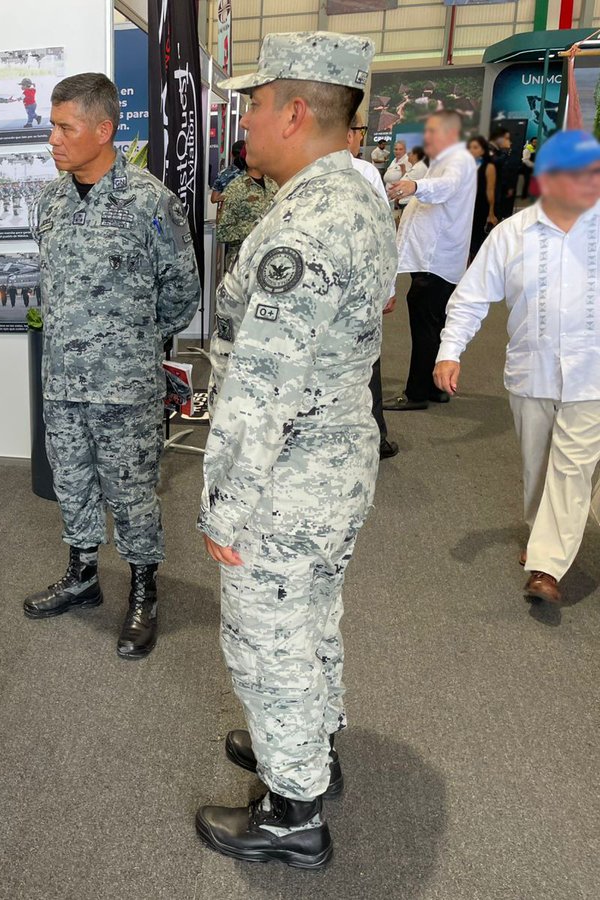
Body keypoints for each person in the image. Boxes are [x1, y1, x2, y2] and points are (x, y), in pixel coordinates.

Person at [194, 31, 396, 868]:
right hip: (338, 451)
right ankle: (307, 749)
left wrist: (225, 506)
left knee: (268, 635)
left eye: (252, 105)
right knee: (311, 622)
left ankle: (292, 814)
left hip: (289, 474)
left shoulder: (306, 227)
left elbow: (260, 387)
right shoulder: (354, 193)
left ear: (295, 111)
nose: (243, 121)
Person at [24, 72, 200, 660]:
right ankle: (82, 576)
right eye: (52, 125)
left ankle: (144, 589)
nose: (53, 138)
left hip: (125, 387)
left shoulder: (149, 201)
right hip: (62, 382)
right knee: (71, 485)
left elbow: (181, 291)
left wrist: (135, 346)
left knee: (131, 493)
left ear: (104, 130)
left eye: (64, 127)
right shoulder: (49, 200)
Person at [434, 130, 600, 606]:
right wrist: (450, 350)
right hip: (533, 372)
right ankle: (541, 535)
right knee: (538, 467)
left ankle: (547, 566)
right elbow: (469, 297)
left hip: (592, 374)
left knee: (572, 467)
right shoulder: (512, 234)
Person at [383, 111, 476, 410]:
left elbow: (445, 187)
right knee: (431, 324)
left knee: (425, 325)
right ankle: (433, 388)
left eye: (433, 131)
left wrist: (416, 188)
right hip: (431, 259)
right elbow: (417, 178)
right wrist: (407, 184)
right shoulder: (438, 160)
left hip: (436, 261)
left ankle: (417, 392)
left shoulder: (458, 160)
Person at [348, 115, 399, 459]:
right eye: (361, 132)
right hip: (362, 289)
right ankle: (375, 438)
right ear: (349, 133)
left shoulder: (300, 168)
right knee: (368, 365)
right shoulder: (365, 172)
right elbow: (385, 234)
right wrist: (389, 286)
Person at [213, 165, 277, 271]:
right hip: (242, 261)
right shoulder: (236, 187)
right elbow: (223, 231)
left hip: (268, 258)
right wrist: (256, 230)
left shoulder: (273, 185)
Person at [467, 135, 499, 260]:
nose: (471, 150)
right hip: (465, 206)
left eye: (475, 147)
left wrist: (491, 213)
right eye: (469, 148)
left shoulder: (488, 167)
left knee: (476, 237)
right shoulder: (465, 165)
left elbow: (490, 190)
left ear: (483, 150)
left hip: (480, 206)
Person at [490, 127, 522, 220]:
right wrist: (505, 151)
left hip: (502, 183)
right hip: (493, 184)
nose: (507, 141)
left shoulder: (500, 151)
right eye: (506, 138)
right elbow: (497, 162)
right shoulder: (491, 149)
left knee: (500, 205)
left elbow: (507, 168)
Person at [210, 139, 247, 203]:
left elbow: (214, 199)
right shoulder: (254, 173)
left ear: (231, 154)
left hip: (227, 211)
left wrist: (229, 196)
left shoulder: (222, 174)